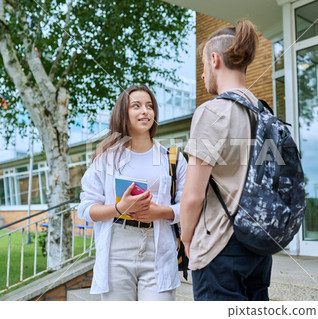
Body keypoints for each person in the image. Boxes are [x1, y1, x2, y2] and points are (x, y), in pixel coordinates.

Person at [180, 20, 273, 301]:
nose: (202, 75)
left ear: (214, 59)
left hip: (219, 245)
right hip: (258, 245)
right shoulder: (264, 114)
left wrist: (187, 239)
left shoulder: (212, 111)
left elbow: (193, 196)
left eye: (203, 67)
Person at [78, 84, 187, 301]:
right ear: (123, 114)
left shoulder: (172, 158)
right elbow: (85, 209)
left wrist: (162, 212)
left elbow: (189, 207)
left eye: (149, 106)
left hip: (158, 249)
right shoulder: (106, 159)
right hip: (117, 251)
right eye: (136, 106)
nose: (145, 111)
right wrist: (119, 208)